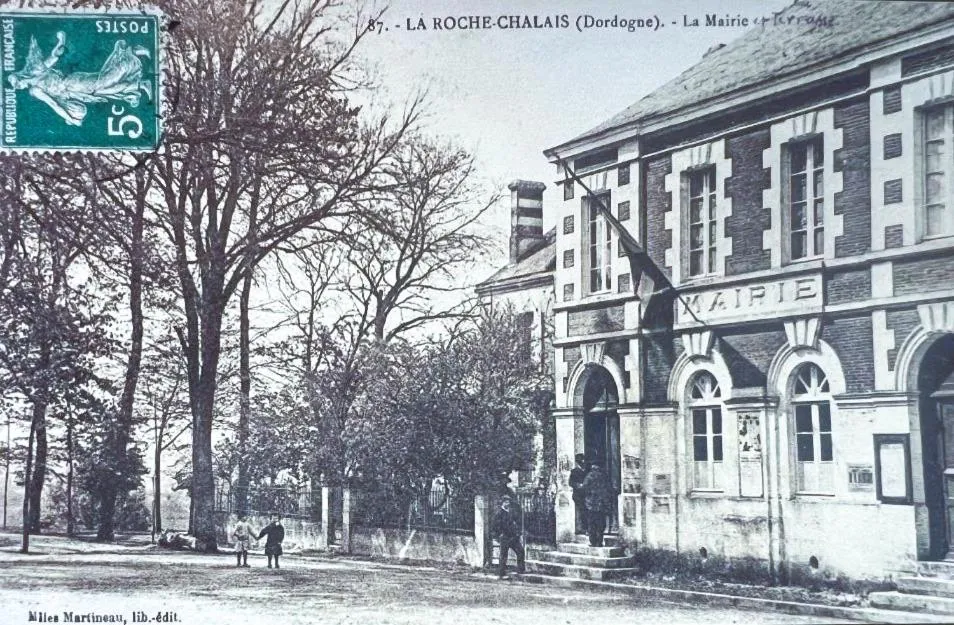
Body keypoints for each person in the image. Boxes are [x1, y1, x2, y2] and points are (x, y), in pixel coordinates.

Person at [9, 32, 152, 127]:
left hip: (73, 83)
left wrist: (72, 119)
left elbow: (53, 104)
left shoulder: (35, 86)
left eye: (16, 83)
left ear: (20, 77)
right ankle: (140, 84)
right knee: (105, 90)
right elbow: (55, 101)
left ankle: (131, 53)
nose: (18, 87)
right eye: (16, 87)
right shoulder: (35, 80)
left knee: (105, 80)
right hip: (74, 89)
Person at [491, 495, 525, 580]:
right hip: (505, 537)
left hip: (513, 537)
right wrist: (499, 535)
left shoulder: (511, 512)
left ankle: (520, 571)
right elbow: (495, 526)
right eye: (506, 502)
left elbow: (517, 522)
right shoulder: (499, 513)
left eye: (508, 502)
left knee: (520, 551)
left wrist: (518, 532)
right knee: (503, 555)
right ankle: (501, 574)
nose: (508, 503)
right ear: (502, 503)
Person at [581, 461, 614, 547]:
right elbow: (609, 488)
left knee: (592, 523)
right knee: (601, 524)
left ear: (593, 466)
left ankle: (593, 542)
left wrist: (588, 495)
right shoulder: (604, 476)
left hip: (591, 504)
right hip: (601, 504)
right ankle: (599, 542)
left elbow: (584, 488)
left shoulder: (590, 476)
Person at [568, 454, 588, 534]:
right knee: (581, 511)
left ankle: (585, 528)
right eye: (581, 460)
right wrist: (578, 485)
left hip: (585, 494)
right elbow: (570, 482)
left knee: (585, 511)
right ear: (578, 462)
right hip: (578, 495)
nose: (583, 462)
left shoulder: (586, 471)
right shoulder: (574, 471)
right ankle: (581, 528)